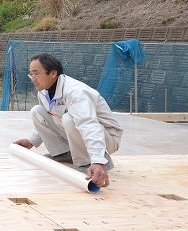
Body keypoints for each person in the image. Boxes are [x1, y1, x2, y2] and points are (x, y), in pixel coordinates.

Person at [12, 53, 123, 188]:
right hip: (80, 132)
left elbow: (89, 126)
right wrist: (31, 141)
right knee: (37, 111)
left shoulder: (75, 92)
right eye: (31, 74)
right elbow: (47, 117)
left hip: (107, 137)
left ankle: (88, 162)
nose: (33, 79)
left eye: (36, 74)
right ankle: (64, 153)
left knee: (69, 119)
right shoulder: (43, 92)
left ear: (53, 73)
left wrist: (98, 161)